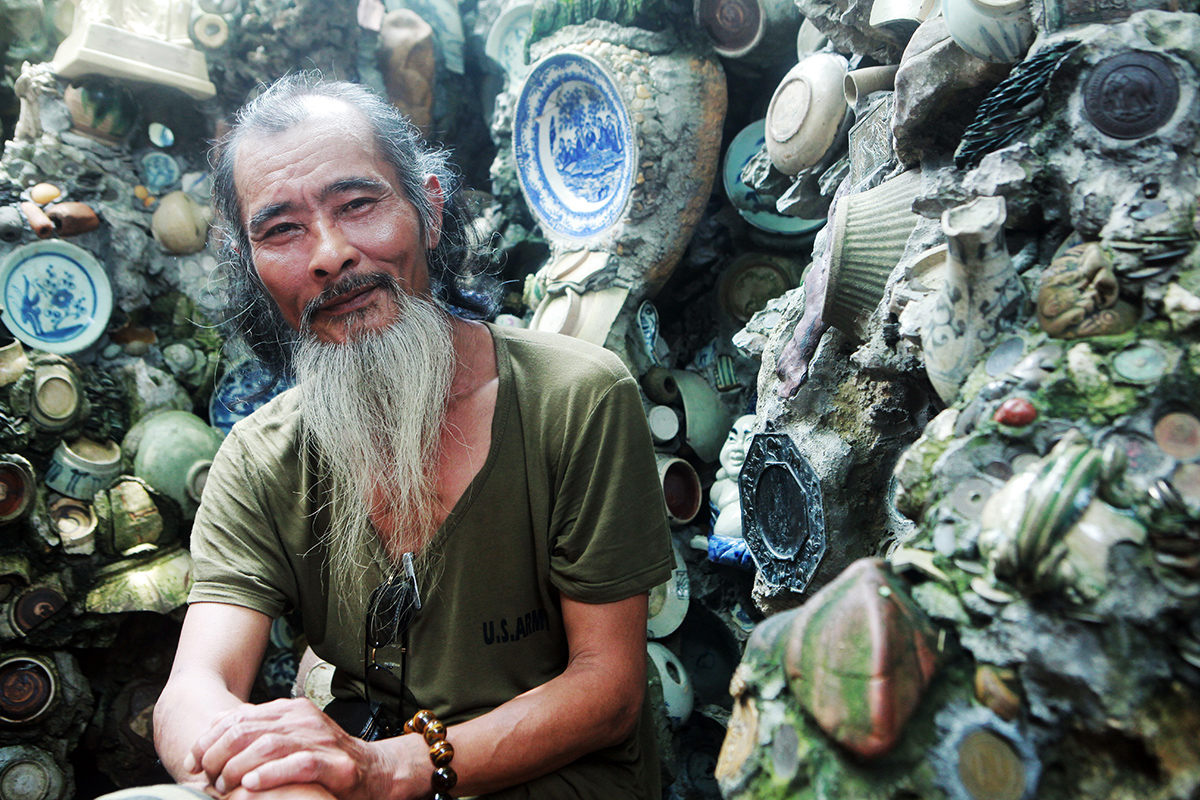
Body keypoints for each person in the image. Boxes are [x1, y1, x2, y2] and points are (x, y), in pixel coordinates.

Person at [152, 72, 673, 800]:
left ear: (427, 210)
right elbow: (194, 688)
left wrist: (383, 769)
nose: (330, 253)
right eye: (282, 229)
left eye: (358, 204)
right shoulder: (262, 457)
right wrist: (250, 763)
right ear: (252, 269)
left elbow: (608, 691)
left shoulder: (576, 399)